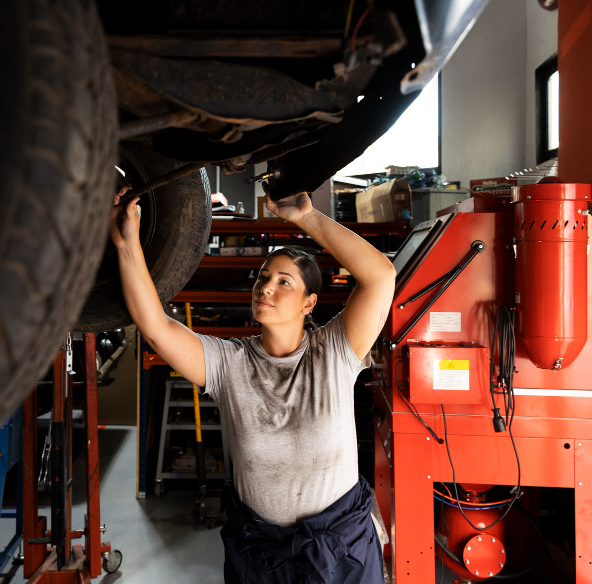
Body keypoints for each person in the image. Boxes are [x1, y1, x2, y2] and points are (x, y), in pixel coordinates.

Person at [110, 185, 395, 584]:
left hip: (341, 551)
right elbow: (156, 328)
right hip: (261, 555)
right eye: (263, 277)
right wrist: (127, 241)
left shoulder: (334, 351)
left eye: (284, 282)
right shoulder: (230, 364)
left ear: (309, 303)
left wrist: (307, 217)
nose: (266, 287)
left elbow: (380, 276)